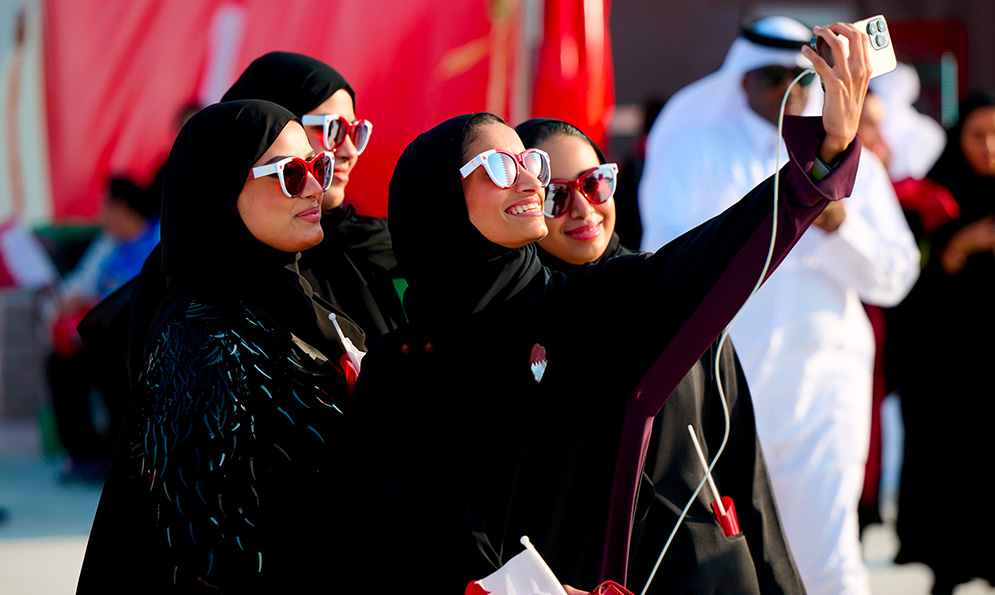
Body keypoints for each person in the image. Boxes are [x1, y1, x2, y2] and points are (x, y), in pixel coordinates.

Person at [343, 19, 867, 592]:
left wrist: (820, 163)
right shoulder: (401, 362)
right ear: (439, 203)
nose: (530, 184)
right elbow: (379, 535)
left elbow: (715, 256)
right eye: (500, 166)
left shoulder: (592, 309)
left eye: (530, 166)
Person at [637, 16, 920, 595]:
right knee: (728, 565)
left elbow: (896, 277)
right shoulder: (695, 151)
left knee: (830, 562)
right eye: (770, 77)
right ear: (739, 80)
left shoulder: (844, 157)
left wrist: (841, 226)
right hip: (726, 398)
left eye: (799, 76)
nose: (787, 89)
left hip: (823, 395)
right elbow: (663, 264)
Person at [76, 99, 364, 593]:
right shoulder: (200, 334)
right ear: (224, 190)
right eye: (291, 174)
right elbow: (205, 551)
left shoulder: (301, 298)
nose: (318, 184)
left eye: (318, 165)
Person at [517, 117, 805, 593]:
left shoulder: (677, 298)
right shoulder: (520, 328)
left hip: (704, 574)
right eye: (556, 196)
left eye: (594, 184)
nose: (583, 209)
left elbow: (743, 470)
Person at [887, 92, 995, 595]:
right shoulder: (934, 196)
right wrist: (959, 246)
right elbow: (906, 280)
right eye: (978, 136)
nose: (990, 148)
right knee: (949, 468)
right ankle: (947, 565)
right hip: (946, 369)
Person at [221, 51, 405, 337]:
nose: (349, 152)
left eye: (356, 132)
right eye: (333, 129)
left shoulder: (374, 247)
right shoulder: (208, 297)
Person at [47, 176, 159, 482]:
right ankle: (85, 454)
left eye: (105, 207)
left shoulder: (160, 236)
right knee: (61, 364)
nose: (101, 216)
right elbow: (78, 289)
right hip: (109, 337)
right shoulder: (108, 245)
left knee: (112, 366)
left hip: (145, 339)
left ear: (121, 207)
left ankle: (119, 453)